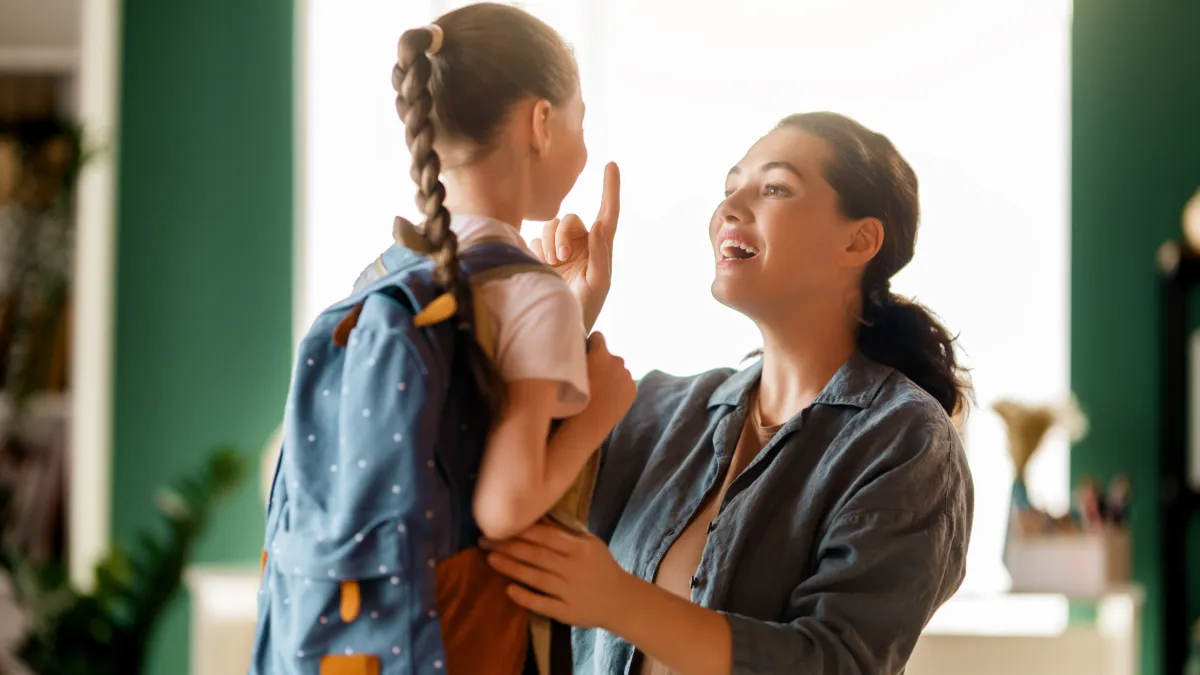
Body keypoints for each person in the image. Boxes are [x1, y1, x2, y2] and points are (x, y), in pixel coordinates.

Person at [485, 112, 975, 675]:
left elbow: (837, 663)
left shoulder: (906, 441)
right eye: (729, 188)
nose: (728, 210)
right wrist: (560, 321)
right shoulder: (655, 411)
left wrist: (618, 601)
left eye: (774, 188)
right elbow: (495, 500)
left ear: (858, 239)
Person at [251, 4, 634, 674]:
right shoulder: (529, 290)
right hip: (459, 636)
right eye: (580, 118)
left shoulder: (390, 272)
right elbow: (504, 503)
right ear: (541, 124)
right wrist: (600, 411)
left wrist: (580, 307)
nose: (583, 140)